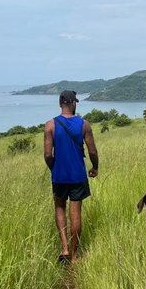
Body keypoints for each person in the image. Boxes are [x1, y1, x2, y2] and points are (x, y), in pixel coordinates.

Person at [44, 90, 99, 264]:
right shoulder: (84, 124)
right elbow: (92, 151)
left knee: (59, 207)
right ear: (73, 103)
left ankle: (64, 248)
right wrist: (95, 167)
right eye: (76, 102)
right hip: (77, 175)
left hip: (59, 176)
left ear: (60, 103)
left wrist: (55, 169)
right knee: (76, 213)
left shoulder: (50, 125)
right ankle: (74, 255)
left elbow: (47, 154)